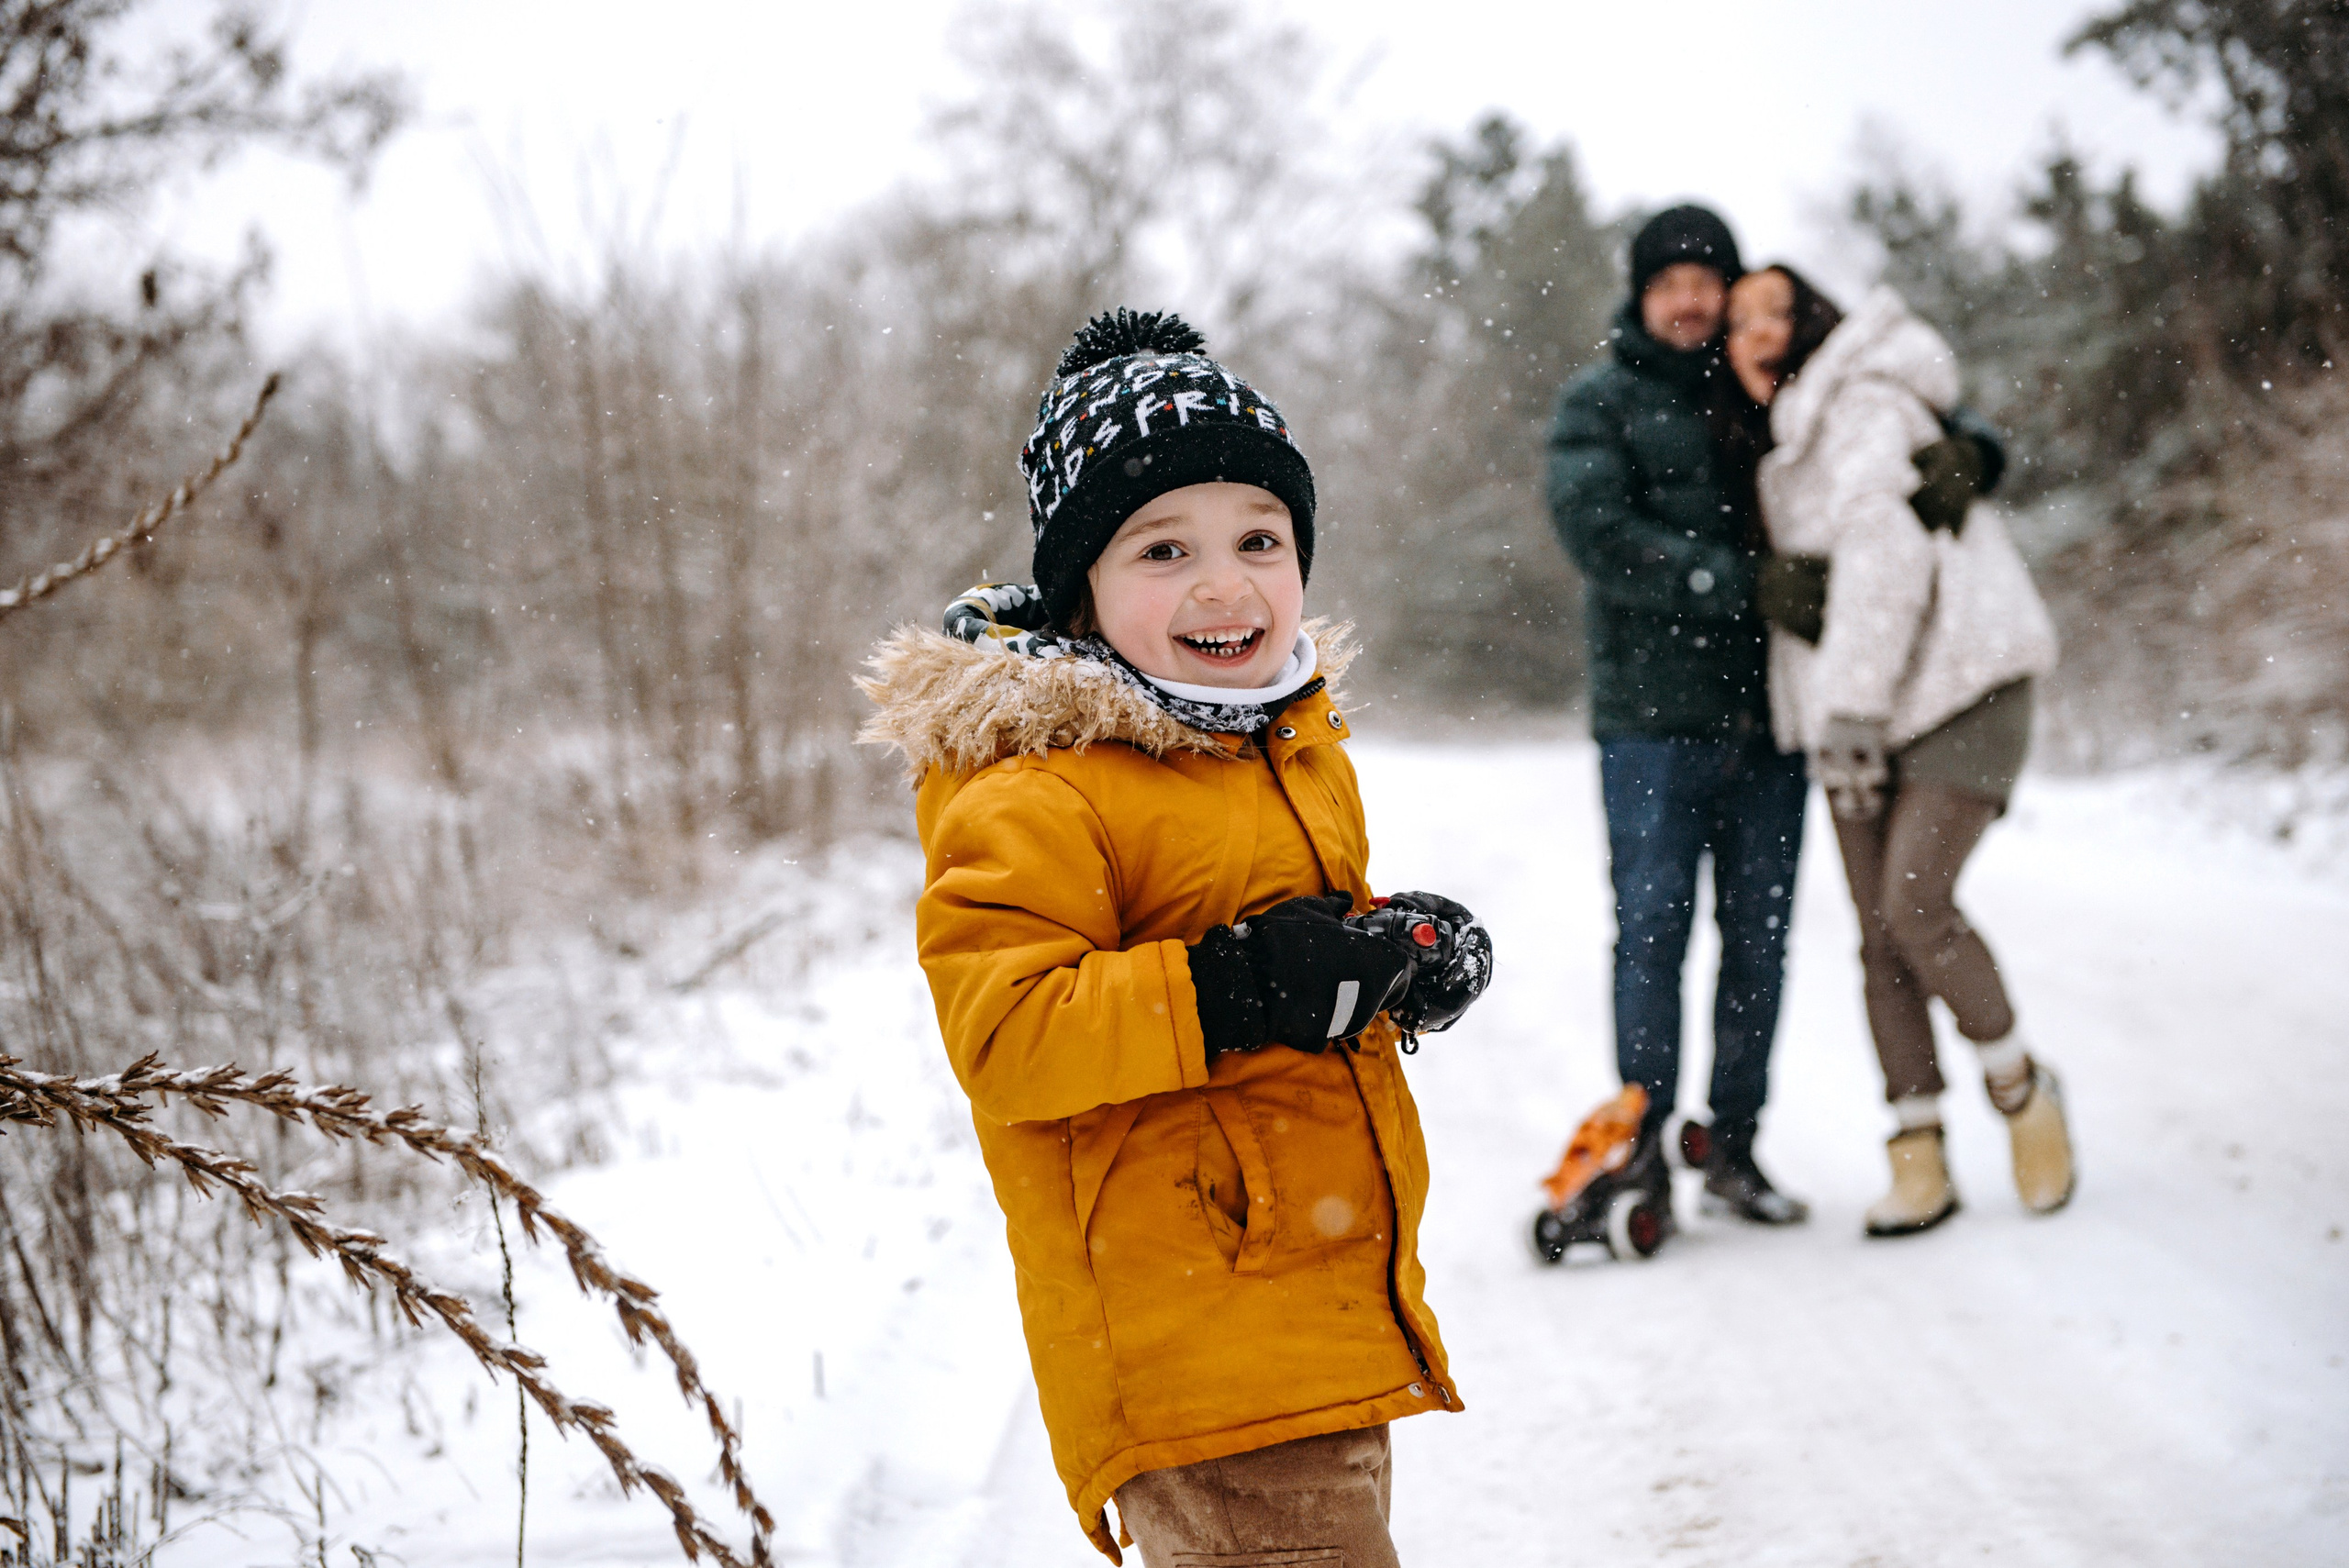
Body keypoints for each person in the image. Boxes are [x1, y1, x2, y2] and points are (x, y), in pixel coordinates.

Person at [860, 308, 1492, 1564]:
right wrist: (1245, 985)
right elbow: (1012, 1033)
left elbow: (1290, 940)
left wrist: (1392, 962)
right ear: (1080, 590)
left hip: (1306, 1311)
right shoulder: (1034, 782)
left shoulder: (1275, 741)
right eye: (1162, 549)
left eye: (1260, 538)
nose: (1223, 583)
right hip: (1195, 1344)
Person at [1725, 265, 2076, 1237]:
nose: (1753, 332)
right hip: (1857, 703)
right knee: (1877, 934)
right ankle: (1916, 1148)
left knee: (1914, 902)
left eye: (1772, 311)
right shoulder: (1781, 435)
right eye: (1736, 319)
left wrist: (1847, 704)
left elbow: (1886, 556)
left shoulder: (1863, 401)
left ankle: (2022, 1089)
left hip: (1957, 683)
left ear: (1814, 321)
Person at [1546, 206, 1811, 1226]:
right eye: (1672, 284)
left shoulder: (1771, 388)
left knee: (1761, 940)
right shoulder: (1598, 402)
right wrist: (1736, 581)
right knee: (1651, 933)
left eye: (1708, 281)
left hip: (1770, 725)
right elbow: (1599, 532)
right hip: (1651, 723)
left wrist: (1970, 452)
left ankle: (1734, 1146)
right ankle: (1641, 1144)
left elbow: (1894, 407)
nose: (1692, 300)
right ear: (1642, 295)